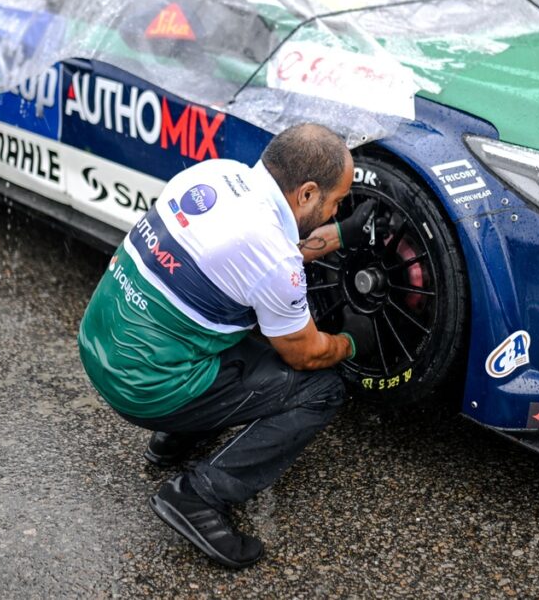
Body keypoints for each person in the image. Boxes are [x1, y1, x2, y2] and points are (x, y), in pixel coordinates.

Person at [78, 123, 380, 569]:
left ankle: (175, 439)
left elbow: (262, 258)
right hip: (145, 387)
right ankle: (198, 495)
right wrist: (353, 342)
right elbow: (306, 351)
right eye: (336, 201)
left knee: (234, 323)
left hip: (99, 343)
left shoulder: (216, 176)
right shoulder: (271, 257)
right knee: (323, 387)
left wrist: (343, 233)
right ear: (308, 193)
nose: (338, 207)